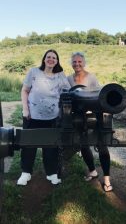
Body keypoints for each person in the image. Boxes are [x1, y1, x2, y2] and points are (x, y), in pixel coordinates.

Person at [17, 49, 70, 186]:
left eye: (54, 57)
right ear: (44, 59)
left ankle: (51, 173)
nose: (51, 59)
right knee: (28, 145)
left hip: (52, 117)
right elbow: (25, 90)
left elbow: (67, 92)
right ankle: (26, 172)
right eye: (48, 57)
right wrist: (25, 109)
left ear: (57, 61)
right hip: (32, 116)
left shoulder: (60, 75)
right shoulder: (34, 72)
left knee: (51, 146)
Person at [67, 52, 113, 192]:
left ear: (84, 63)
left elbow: (99, 97)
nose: (77, 64)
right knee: (83, 145)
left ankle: (106, 179)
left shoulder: (91, 78)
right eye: (74, 62)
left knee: (102, 146)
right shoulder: (68, 79)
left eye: (80, 62)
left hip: (93, 115)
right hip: (78, 117)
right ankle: (93, 171)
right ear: (71, 63)